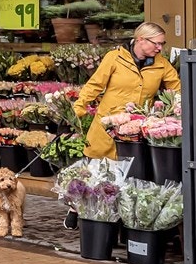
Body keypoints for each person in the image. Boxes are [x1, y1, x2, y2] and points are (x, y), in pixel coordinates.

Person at [73, 21, 181, 160]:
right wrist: (77, 109)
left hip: (137, 132)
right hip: (107, 126)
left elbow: (177, 91)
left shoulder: (162, 64)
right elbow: (94, 85)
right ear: (140, 39)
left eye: (162, 44)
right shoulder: (115, 58)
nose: (160, 48)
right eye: (156, 43)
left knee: (132, 173)